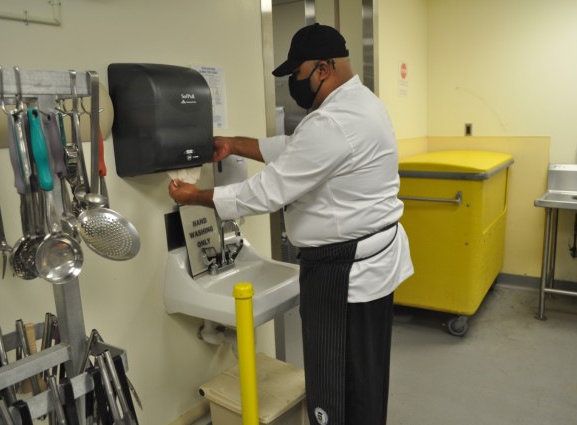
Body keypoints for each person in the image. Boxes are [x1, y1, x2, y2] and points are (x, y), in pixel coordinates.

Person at [168, 23, 413, 425]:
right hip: (371, 263)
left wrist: (196, 198)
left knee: (336, 385)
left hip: (343, 274)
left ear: (322, 68)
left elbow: (267, 192)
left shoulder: (332, 122)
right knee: (364, 380)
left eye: (295, 76)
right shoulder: (361, 104)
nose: (291, 87)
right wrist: (235, 143)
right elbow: (296, 148)